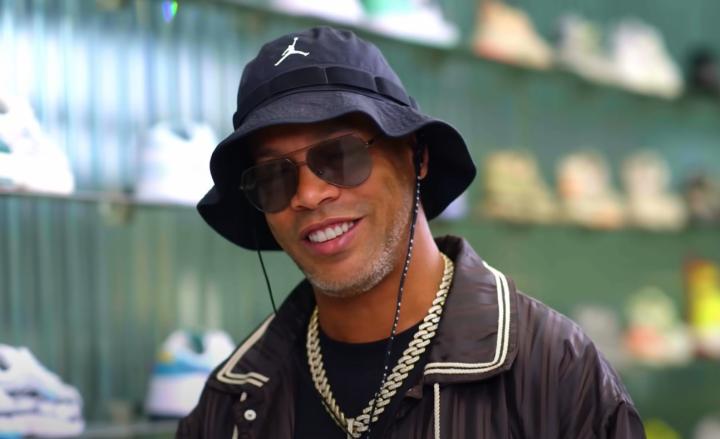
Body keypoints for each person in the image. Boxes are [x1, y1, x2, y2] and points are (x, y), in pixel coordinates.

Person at [177, 26, 645, 439]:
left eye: (340, 155)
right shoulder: (234, 399)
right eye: (274, 176)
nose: (309, 194)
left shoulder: (553, 371)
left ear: (416, 157)